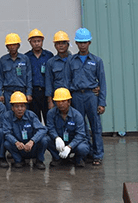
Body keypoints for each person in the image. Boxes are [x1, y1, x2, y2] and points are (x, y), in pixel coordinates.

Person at [64, 28, 107, 166]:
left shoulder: (97, 61)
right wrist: (68, 100)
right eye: (80, 42)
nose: (82, 45)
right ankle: (85, 152)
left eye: (85, 42)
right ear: (76, 43)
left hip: (91, 96)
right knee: (80, 126)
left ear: (89, 43)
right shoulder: (71, 61)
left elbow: (102, 83)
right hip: (76, 96)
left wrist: (102, 102)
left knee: (96, 126)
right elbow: (67, 81)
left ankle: (97, 154)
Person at [1, 92, 48, 169]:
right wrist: (16, 142)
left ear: (25, 107)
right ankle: (19, 160)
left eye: (22, 106)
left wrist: (32, 141)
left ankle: (39, 160)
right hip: (19, 148)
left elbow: (42, 129)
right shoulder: (7, 116)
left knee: (44, 140)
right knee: (7, 143)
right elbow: (7, 133)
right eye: (17, 106)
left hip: (32, 147)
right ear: (12, 108)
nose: (20, 109)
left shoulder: (31, 115)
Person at [47, 88, 90, 168]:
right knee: (45, 139)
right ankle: (57, 158)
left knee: (83, 147)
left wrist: (70, 146)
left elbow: (80, 134)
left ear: (69, 102)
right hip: (59, 143)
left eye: (63, 101)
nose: (60, 104)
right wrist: (56, 138)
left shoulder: (77, 115)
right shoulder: (51, 113)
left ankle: (78, 159)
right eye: (58, 101)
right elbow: (50, 128)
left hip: (73, 142)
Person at [0, 33, 31, 110]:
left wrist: (29, 93)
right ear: (7, 46)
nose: (12, 47)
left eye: (14, 45)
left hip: (22, 91)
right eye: (10, 45)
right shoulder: (3, 60)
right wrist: (0, 94)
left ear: (18, 45)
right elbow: (0, 78)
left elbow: (29, 77)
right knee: (9, 113)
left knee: (22, 112)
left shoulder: (25, 59)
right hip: (8, 93)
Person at [25, 29, 53, 121]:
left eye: (39, 41)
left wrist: (50, 97)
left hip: (46, 93)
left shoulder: (49, 56)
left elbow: (52, 76)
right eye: (34, 41)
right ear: (30, 42)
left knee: (49, 118)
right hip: (33, 92)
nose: (37, 43)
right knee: (35, 119)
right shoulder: (26, 57)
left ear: (42, 41)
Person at [44, 31, 72, 110]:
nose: (61, 46)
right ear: (55, 46)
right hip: (58, 98)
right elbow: (48, 83)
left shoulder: (74, 60)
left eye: (63, 43)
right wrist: (50, 101)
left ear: (68, 45)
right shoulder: (51, 62)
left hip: (73, 96)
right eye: (58, 43)